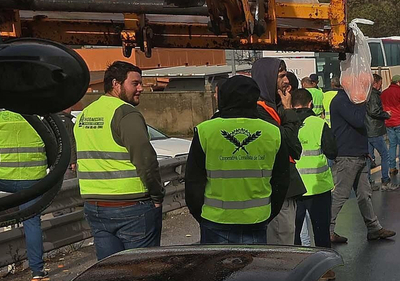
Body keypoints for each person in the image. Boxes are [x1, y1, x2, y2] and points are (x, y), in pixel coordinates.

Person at [76, 61, 165, 259]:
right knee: (142, 268)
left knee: (111, 270)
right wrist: (157, 195)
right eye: (135, 83)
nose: (141, 88)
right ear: (116, 84)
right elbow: (145, 160)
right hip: (131, 205)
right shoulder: (125, 113)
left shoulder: (86, 113)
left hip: (95, 205)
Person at [183, 75, 286, 246]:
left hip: (215, 219)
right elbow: (281, 181)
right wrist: (268, 213)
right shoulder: (273, 132)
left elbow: (193, 181)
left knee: (217, 265)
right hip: (257, 219)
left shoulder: (205, 131)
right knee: (252, 264)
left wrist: (201, 215)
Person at [327, 79, 395, 244]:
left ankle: (374, 228)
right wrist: (363, 102)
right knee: (341, 194)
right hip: (347, 155)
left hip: (358, 154)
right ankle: (327, 230)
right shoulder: (341, 101)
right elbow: (357, 120)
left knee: (365, 194)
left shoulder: (349, 101)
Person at [0, 109, 49, 279]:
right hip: (32, 179)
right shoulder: (35, 118)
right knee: (32, 222)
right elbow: (51, 147)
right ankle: (37, 270)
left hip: (2, 178)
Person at [251, 58, 304, 245]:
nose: (287, 81)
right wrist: (289, 110)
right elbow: (291, 145)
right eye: (281, 76)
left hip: (284, 188)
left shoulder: (276, 106)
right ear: (267, 78)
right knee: (281, 244)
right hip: (275, 189)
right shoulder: (259, 111)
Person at [288, 88, 338, 281]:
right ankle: (324, 271)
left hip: (294, 187)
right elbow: (332, 151)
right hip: (318, 186)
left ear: (292, 104)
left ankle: (296, 269)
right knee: (321, 230)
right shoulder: (319, 124)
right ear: (310, 104)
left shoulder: (286, 125)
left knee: (294, 230)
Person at [365, 71, 390, 181]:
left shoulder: (365, 93)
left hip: (367, 129)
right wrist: (386, 114)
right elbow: (374, 111)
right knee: (385, 155)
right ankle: (385, 179)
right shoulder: (374, 95)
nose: (381, 86)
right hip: (375, 130)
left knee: (369, 157)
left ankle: (368, 181)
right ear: (375, 83)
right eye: (380, 83)